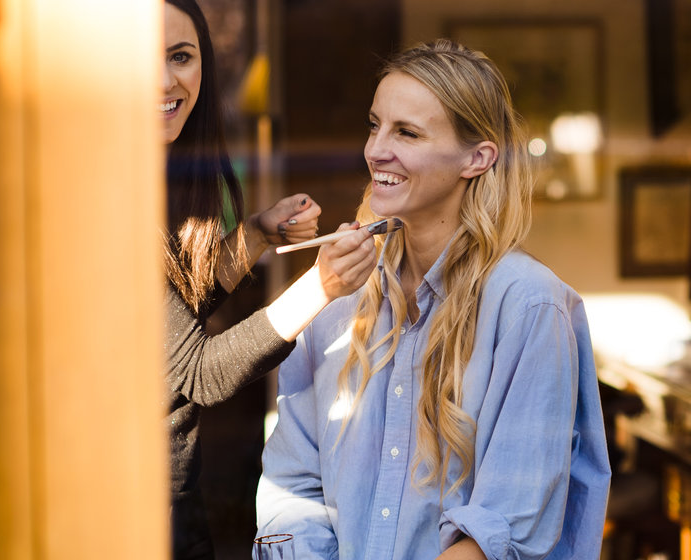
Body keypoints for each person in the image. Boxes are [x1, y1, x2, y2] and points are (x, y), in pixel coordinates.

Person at [255, 39, 611, 559]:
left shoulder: (531, 309)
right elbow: (293, 488)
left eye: (407, 132)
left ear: (477, 157)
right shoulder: (337, 296)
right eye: (374, 125)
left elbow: (503, 530)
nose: (376, 149)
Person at [160, 0, 378, 558]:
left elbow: (167, 321)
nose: (164, 80)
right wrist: (320, 286)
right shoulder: (105, 191)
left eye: (180, 56)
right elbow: (197, 372)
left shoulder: (152, 170)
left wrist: (257, 234)